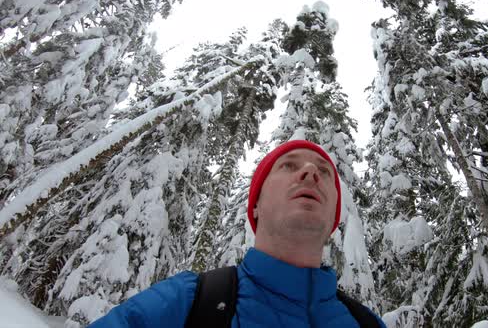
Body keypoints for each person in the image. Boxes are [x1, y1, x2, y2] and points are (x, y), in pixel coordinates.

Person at [89, 140, 386, 327]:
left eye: (323, 171)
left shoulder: (366, 323)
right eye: (289, 166)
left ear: (334, 215)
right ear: (255, 205)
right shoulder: (186, 302)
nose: (310, 172)